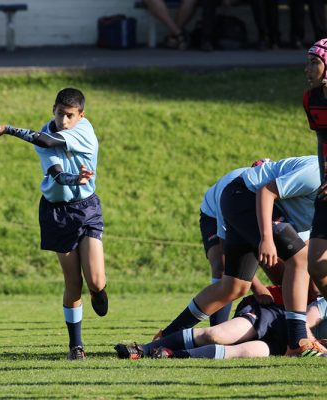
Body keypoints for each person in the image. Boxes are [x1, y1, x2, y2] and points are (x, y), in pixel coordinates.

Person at [0, 88, 107, 360]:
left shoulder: (84, 132)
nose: (65, 120)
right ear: (53, 110)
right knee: (73, 282)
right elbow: (57, 174)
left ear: (81, 115)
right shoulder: (43, 135)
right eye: (60, 113)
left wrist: (7, 129)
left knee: (95, 281)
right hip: (57, 211)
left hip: (86, 208)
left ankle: (97, 291)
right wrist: (76, 179)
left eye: (71, 115)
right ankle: (76, 347)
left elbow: (49, 142)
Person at [154, 156, 325, 357]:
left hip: (252, 206)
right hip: (236, 202)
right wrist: (266, 240)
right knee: (227, 267)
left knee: (234, 286)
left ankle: (166, 337)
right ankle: (296, 341)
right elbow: (266, 192)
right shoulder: (314, 174)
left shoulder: (307, 191)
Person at [115, 286, 327, 359]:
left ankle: (170, 355)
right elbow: (305, 321)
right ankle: (143, 349)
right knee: (216, 335)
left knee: (241, 353)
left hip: (285, 346)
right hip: (275, 316)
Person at [199, 161, 280, 326]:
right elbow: (230, 252)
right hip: (214, 213)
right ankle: (217, 327)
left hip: (248, 209)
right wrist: (257, 288)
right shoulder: (234, 191)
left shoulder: (274, 191)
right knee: (221, 266)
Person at [304, 40, 327, 336]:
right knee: (317, 267)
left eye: (314, 63)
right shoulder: (311, 99)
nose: (308, 69)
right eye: (308, 62)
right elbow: (323, 140)